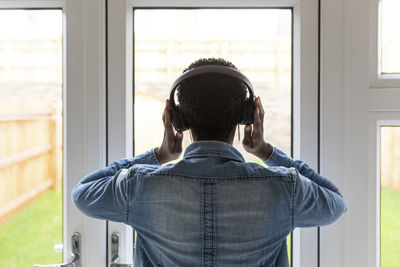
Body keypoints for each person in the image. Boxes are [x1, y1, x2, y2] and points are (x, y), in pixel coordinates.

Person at [71, 58, 346, 267]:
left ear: (176, 119)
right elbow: (335, 203)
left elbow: (82, 194)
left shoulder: (139, 185)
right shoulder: (285, 188)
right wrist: (266, 152)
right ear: (248, 117)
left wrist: (158, 155)